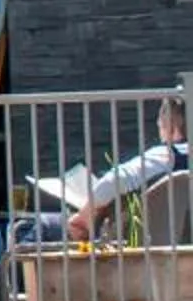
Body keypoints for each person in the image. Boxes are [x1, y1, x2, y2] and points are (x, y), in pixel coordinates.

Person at [67, 94, 188, 240]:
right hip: (183, 241)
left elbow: (116, 179)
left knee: (45, 224)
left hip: (144, 243)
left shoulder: (168, 156)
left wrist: (84, 216)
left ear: (169, 124)